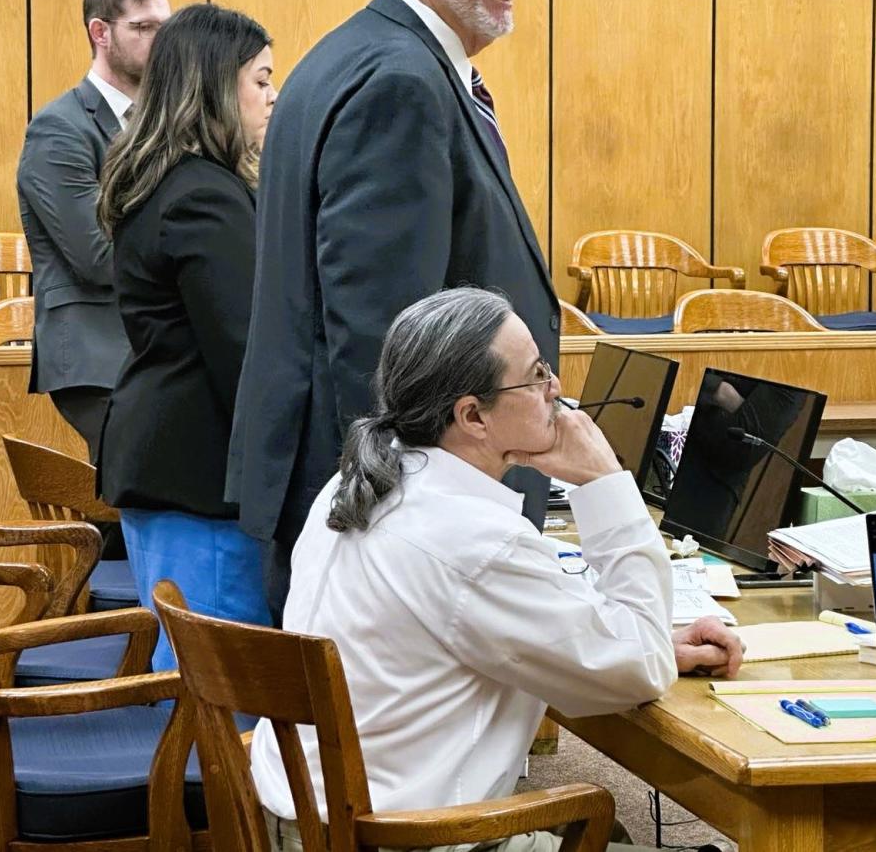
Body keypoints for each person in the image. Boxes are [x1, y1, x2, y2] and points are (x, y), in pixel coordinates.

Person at [251, 287, 743, 852]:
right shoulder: (475, 540)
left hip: (308, 822)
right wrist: (605, 480)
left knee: (611, 831)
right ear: (473, 416)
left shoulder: (357, 484)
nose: (555, 390)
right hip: (403, 837)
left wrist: (643, 639)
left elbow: (484, 623)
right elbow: (640, 673)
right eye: (536, 376)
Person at [228, 0, 561, 616]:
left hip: (344, 477)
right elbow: (384, 330)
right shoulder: (400, 80)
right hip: (388, 505)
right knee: (381, 731)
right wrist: (411, 507)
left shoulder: (352, 55)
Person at [96, 2, 278, 669]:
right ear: (214, 84)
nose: (271, 94)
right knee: (224, 703)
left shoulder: (168, 179)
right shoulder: (205, 193)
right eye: (260, 79)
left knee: (194, 691)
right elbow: (248, 353)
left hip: (171, 466)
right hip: (203, 478)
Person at [17, 0, 171, 462]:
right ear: (100, 33)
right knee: (146, 486)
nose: (160, 41)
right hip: (97, 353)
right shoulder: (58, 130)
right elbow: (97, 256)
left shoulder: (165, 121)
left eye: (164, 28)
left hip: (154, 347)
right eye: (144, 28)